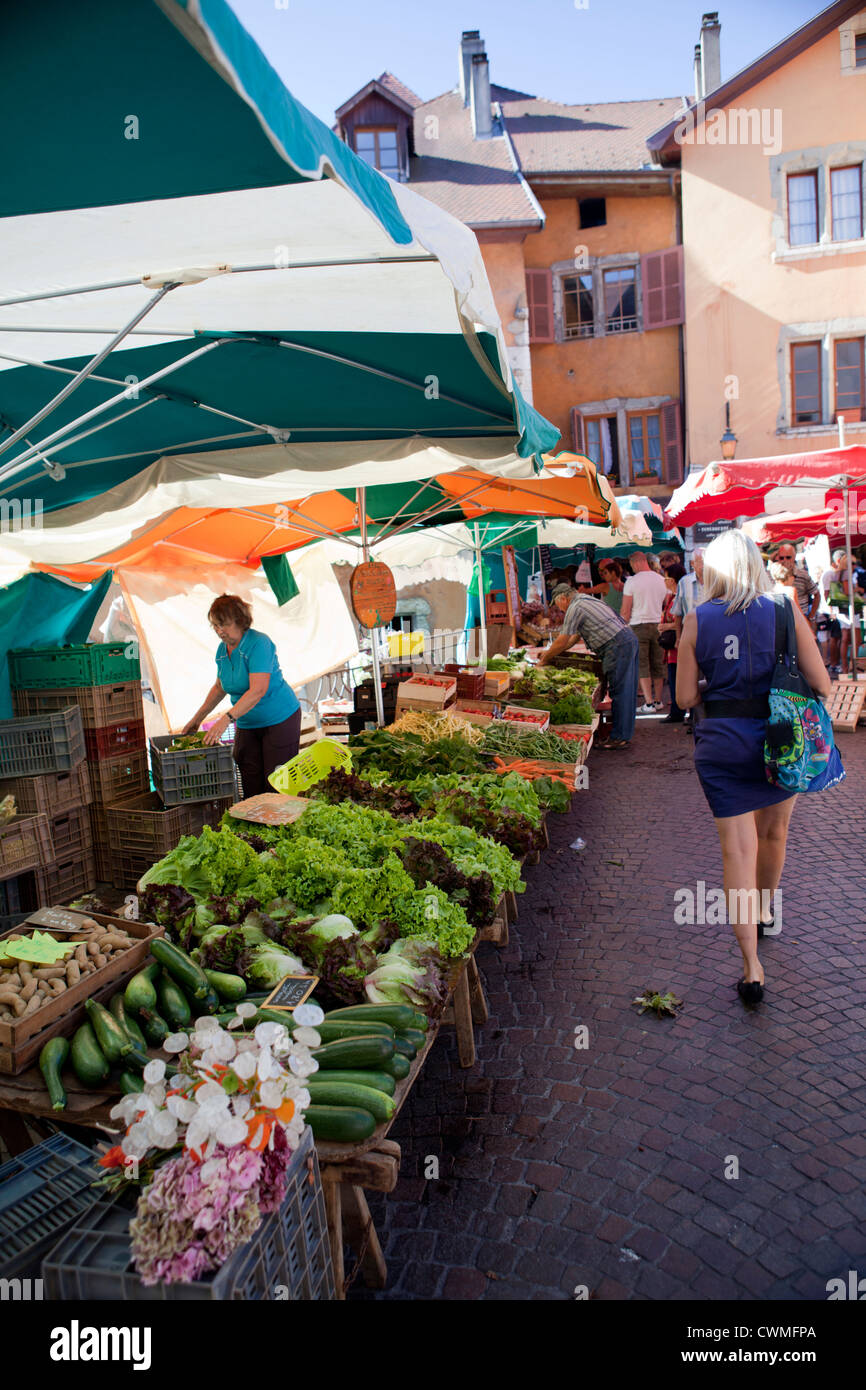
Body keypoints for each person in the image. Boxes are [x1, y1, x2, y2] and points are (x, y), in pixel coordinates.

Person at [676, 531, 832, 1006]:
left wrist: (716, 687)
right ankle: (765, 912)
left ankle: (751, 966)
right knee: (774, 835)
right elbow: (822, 684)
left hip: (722, 744)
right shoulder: (784, 608)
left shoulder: (697, 619)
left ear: (714, 570)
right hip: (780, 740)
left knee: (736, 854)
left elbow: (684, 699)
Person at [183, 594, 301, 797]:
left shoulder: (259, 643)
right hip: (247, 723)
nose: (219, 631)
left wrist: (226, 719)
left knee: (276, 785)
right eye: (215, 626)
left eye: (223, 625)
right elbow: (221, 686)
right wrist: (197, 719)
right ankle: (257, 827)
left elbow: (258, 690)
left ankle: (282, 826)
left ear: (239, 620)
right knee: (250, 783)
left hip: (280, 719)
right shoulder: (222, 650)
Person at [537, 584, 639, 750]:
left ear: (563, 598)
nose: (559, 609)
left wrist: (546, 659)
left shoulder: (575, 607)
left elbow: (563, 640)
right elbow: (572, 639)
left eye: (557, 605)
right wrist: (551, 653)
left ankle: (619, 736)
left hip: (616, 644)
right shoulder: (586, 600)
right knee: (627, 689)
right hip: (627, 639)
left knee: (620, 691)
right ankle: (623, 734)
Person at [620, 551, 668, 714]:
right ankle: (658, 700)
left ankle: (648, 703)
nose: (632, 568)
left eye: (632, 565)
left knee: (642, 665)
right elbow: (667, 604)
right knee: (658, 663)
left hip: (638, 625)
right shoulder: (661, 580)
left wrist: (621, 626)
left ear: (637, 562)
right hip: (658, 625)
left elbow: (625, 611)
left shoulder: (632, 582)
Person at [659, 562, 686, 723]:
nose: (664, 580)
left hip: (677, 645)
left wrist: (666, 626)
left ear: (673, 580)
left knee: (677, 679)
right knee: (674, 678)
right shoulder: (672, 596)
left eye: (666, 577)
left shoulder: (679, 597)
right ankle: (676, 710)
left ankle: (678, 711)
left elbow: (680, 620)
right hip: (671, 647)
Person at [774, 543, 819, 625]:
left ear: (794, 557)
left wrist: (811, 616)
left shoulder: (803, 575)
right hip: (780, 620)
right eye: (781, 558)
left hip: (800, 619)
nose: (784, 560)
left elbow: (816, 594)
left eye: (788, 557)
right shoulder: (772, 575)